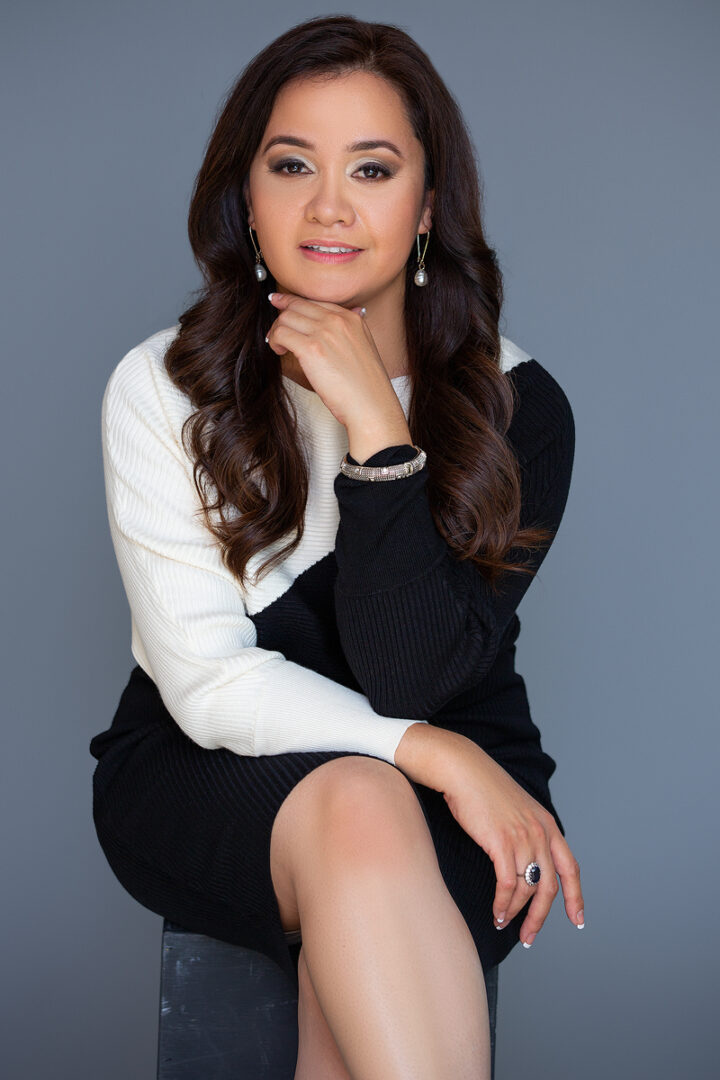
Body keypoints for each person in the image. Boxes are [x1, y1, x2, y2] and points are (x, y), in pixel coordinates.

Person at [89, 14, 585, 1080]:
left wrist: (378, 431)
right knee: (362, 801)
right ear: (246, 195)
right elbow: (211, 685)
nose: (327, 206)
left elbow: (416, 673)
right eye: (290, 165)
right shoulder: (163, 386)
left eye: (371, 167)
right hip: (211, 765)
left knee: (368, 848)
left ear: (427, 206)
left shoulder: (518, 406)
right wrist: (439, 760)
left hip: (454, 760)